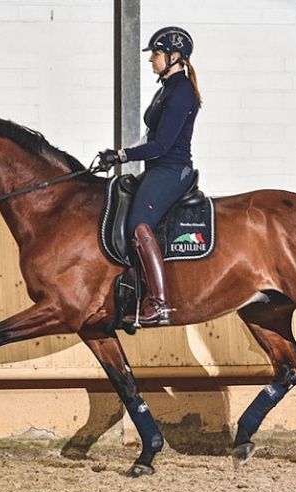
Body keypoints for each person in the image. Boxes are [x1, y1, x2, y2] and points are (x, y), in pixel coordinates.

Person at [98, 26, 202, 327]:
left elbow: (161, 145)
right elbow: (150, 138)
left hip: (173, 168)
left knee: (138, 224)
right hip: (158, 168)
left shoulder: (181, 92)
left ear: (174, 56)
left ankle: (159, 304)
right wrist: (118, 154)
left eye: (155, 54)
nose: (151, 60)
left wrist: (122, 156)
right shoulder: (166, 88)